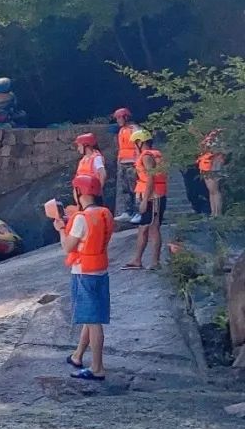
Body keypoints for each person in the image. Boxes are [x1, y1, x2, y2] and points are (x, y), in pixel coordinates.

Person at [55, 173, 113, 381]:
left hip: (84, 272)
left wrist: (61, 229)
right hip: (100, 269)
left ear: (79, 192)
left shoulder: (81, 218)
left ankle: (97, 368)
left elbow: (67, 247)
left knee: (93, 320)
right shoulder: (105, 213)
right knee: (90, 318)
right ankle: (78, 355)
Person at [126, 130, 167, 270]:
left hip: (153, 197)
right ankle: (137, 259)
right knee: (143, 228)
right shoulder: (155, 154)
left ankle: (155, 262)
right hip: (151, 195)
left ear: (140, 142)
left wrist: (145, 200)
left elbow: (151, 178)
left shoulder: (147, 156)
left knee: (153, 228)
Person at [111, 109, 141, 221]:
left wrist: (139, 162)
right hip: (123, 163)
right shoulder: (122, 130)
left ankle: (138, 212)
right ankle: (128, 211)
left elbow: (139, 146)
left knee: (135, 189)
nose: (118, 120)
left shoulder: (134, 129)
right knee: (125, 189)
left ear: (126, 117)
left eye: (120, 118)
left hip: (133, 163)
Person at [198, 130, 226, 218]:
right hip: (205, 166)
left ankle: (218, 213)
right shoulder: (206, 137)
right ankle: (213, 212)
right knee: (211, 190)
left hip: (214, 165)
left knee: (215, 190)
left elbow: (219, 150)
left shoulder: (217, 135)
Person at [74, 133, 107, 200]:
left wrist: (98, 191)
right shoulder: (83, 160)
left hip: (93, 196)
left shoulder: (96, 158)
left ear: (86, 146)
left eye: (79, 146)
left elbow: (102, 174)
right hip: (82, 196)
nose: (78, 149)